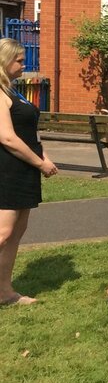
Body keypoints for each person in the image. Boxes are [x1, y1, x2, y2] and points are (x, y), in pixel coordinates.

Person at [0, 38, 57, 305]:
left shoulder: (14, 91)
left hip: (24, 170)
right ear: (4, 61)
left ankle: (5, 292)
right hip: (7, 171)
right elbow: (7, 138)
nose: (25, 64)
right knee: (3, 232)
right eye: (19, 60)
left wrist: (42, 156)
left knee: (16, 232)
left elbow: (27, 133)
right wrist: (39, 163)